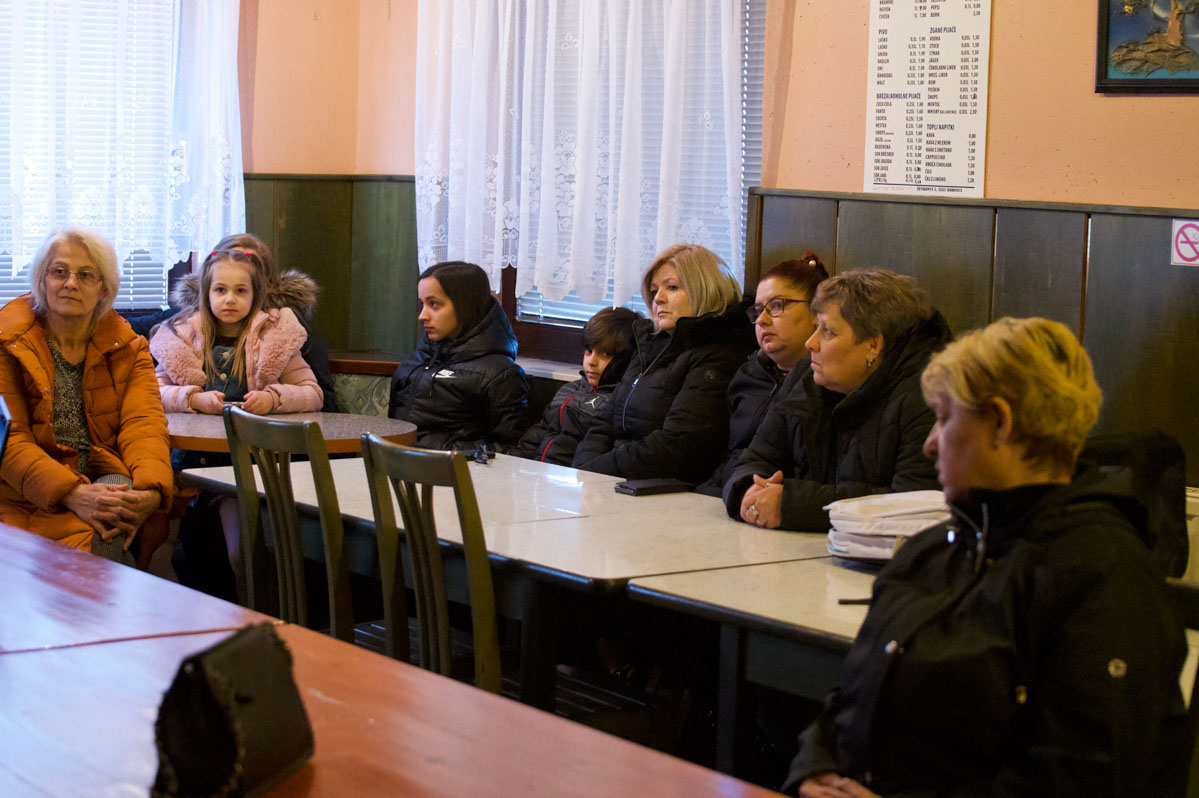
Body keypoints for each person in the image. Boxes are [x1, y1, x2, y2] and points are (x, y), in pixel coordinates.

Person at [785, 317, 1188, 797]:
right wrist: (813, 769)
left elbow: (1080, 779)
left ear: (999, 423)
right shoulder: (929, 551)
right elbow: (853, 693)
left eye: (943, 418)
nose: (928, 444)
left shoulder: (1105, 577)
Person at [725, 269, 949, 531]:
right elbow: (752, 459)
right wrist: (748, 490)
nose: (811, 343)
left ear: (873, 345)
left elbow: (914, 504)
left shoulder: (927, 396)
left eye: (828, 332)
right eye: (816, 328)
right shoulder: (807, 376)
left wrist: (791, 504)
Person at [0, 227, 173, 565]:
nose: (70, 283)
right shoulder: (8, 342)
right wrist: (71, 493)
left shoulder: (130, 348)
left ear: (103, 288)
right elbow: (9, 441)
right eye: (59, 272)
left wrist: (151, 491)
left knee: (116, 505)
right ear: (42, 280)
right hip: (22, 494)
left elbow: (145, 427)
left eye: (85, 275)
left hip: (104, 484)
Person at [572, 243, 755, 481]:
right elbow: (604, 424)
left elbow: (679, 446)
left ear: (705, 289)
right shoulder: (649, 345)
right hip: (612, 478)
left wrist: (595, 472)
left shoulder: (718, 353)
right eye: (654, 290)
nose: (658, 298)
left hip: (660, 487)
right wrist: (584, 469)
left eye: (672, 287)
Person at [132, 232, 338, 413]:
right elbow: (154, 391)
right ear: (206, 291)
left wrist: (273, 399)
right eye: (221, 289)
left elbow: (313, 394)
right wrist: (193, 399)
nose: (230, 299)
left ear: (257, 291)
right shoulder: (181, 333)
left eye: (240, 290)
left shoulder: (278, 335)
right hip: (194, 441)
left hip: (255, 440)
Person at [697, 253, 827, 496]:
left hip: (780, 500)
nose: (762, 320)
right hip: (727, 493)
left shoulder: (828, 382)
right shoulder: (747, 375)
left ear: (816, 312)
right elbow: (729, 456)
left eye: (776, 305)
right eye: (758, 311)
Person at [389, 261, 529, 452]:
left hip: (452, 469)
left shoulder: (500, 374)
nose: (422, 316)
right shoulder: (421, 357)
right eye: (423, 304)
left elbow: (509, 450)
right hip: (398, 462)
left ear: (464, 306)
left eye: (434, 304)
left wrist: (432, 450)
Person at [509, 307, 640, 465]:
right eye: (589, 351)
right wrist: (513, 463)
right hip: (537, 471)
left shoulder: (618, 403)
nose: (591, 361)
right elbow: (537, 436)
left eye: (605, 354)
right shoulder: (569, 390)